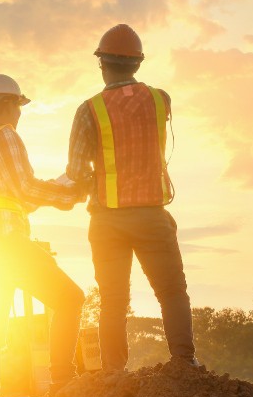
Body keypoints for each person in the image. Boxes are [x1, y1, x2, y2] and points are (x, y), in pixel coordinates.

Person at [65, 24, 198, 371]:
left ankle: (112, 376)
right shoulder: (160, 99)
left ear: (101, 64)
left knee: (112, 301)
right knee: (171, 292)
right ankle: (185, 364)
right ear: (138, 63)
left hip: (107, 219)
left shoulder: (88, 110)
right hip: (151, 215)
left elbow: (77, 173)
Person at [0, 73, 86, 397]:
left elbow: (8, 198)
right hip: (8, 245)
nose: (20, 114)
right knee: (71, 299)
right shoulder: (6, 136)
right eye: (19, 106)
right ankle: (62, 381)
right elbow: (26, 191)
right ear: (8, 105)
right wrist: (70, 193)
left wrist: (56, 190)